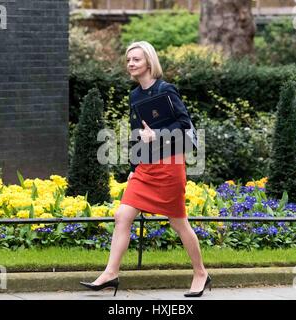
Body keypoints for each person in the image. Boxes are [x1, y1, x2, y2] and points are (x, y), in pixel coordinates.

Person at [80, 41, 211, 297]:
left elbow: (186, 127)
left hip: (170, 166)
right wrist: (132, 166)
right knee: (122, 215)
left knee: (179, 223)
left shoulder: (166, 90)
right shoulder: (135, 96)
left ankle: (200, 273)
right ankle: (110, 273)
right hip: (145, 168)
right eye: (128, 60)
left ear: (149, 62)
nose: (130, 64)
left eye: (136, 59)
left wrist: (159, 134)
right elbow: (135, 134)